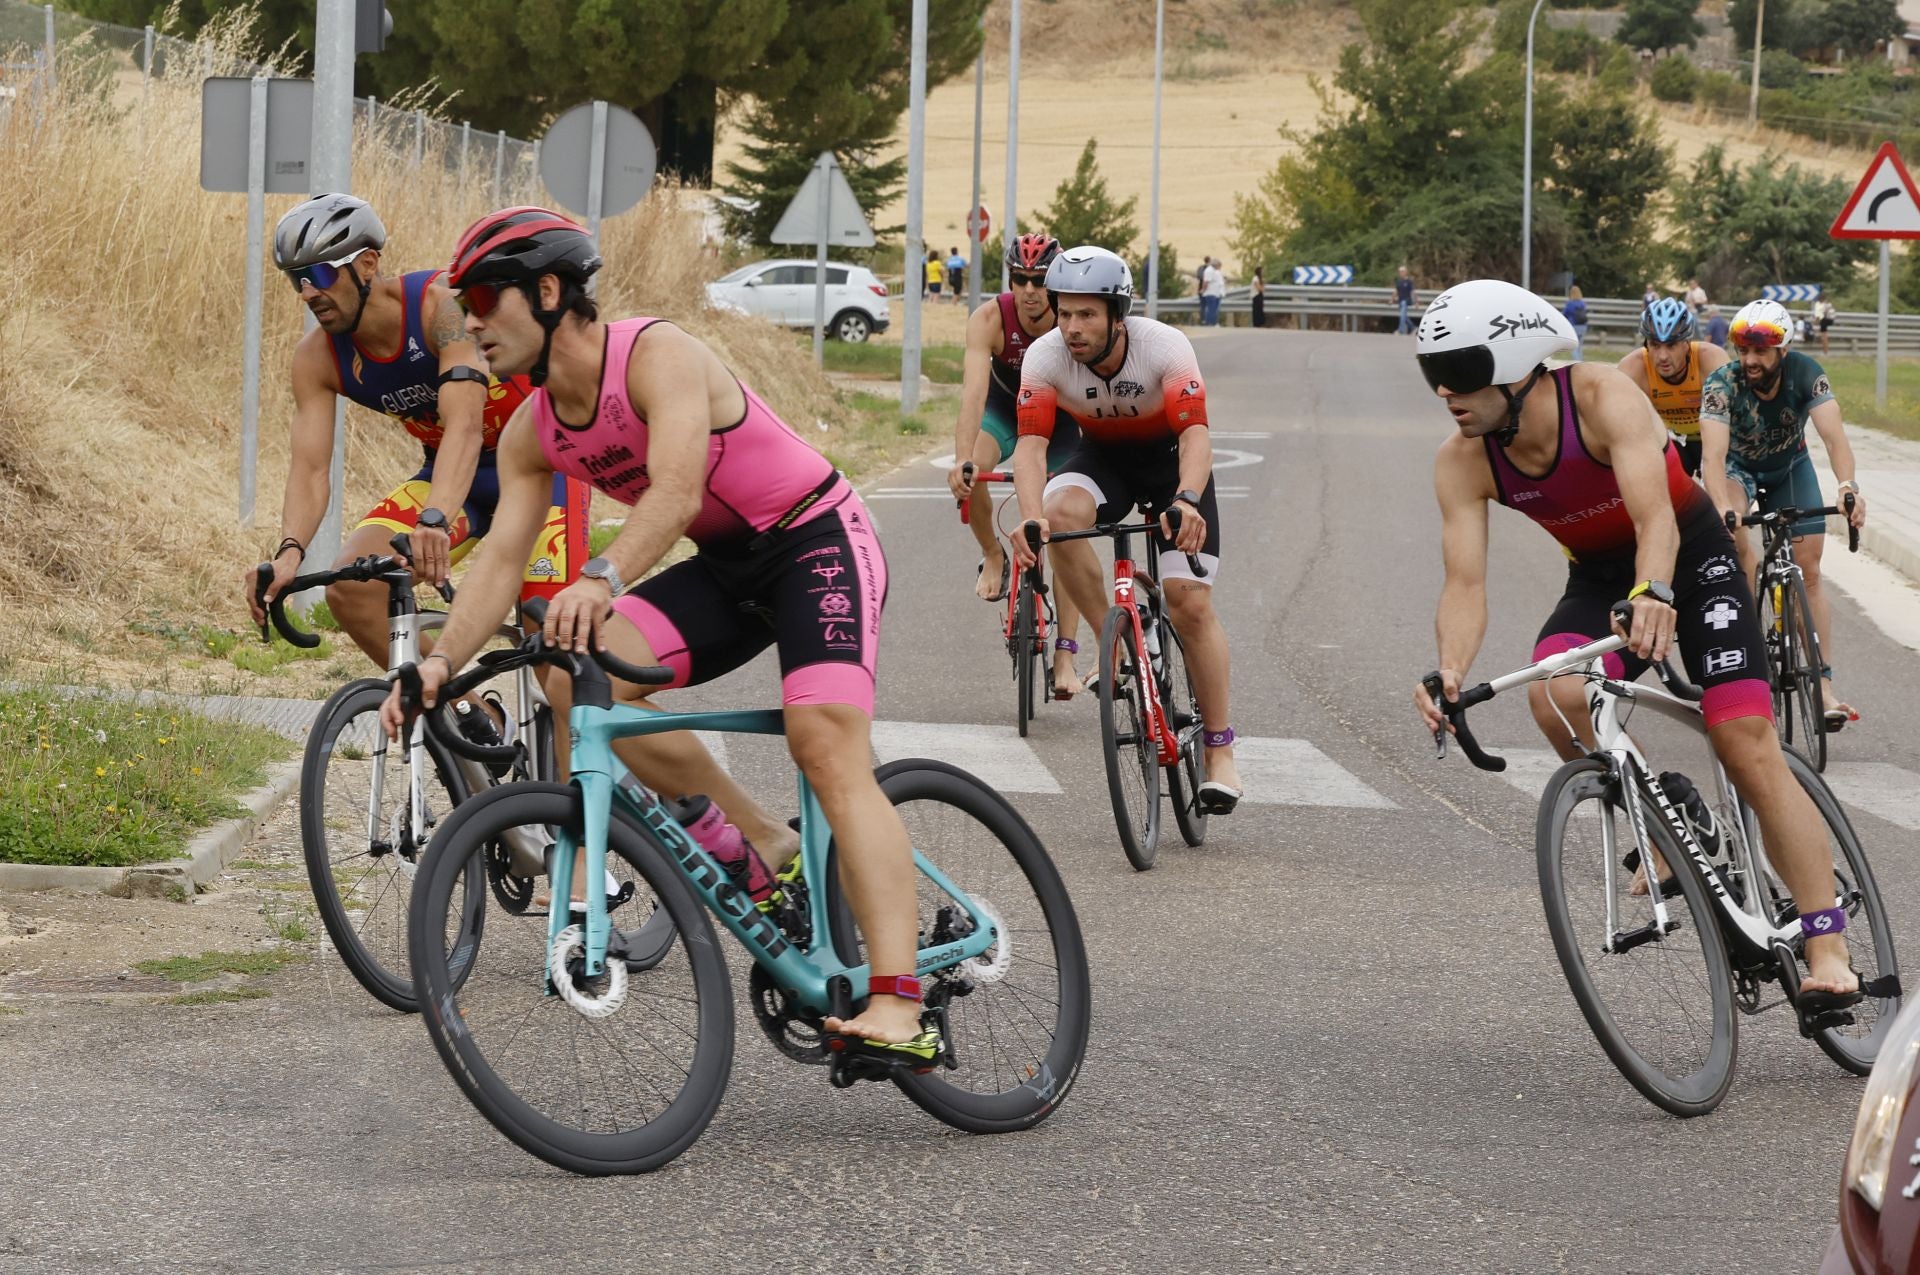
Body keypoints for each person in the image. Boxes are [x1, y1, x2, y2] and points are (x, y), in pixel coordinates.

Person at [378, 206, 937, 1061]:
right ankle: (753, 837)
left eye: (487, 296)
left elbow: (674, 491)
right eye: (464, 301)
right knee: (573, 678)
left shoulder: (655, 355)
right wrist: (440, 662)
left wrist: (600, 579)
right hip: (726, 565)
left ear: (551, 291)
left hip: (813, 538)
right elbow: (498, 559)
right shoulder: (532, 425)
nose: (472, 320)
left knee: (822, 740)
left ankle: (901, 1001)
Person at [1413, 278, 1860, 1015]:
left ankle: (1827, 940)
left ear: (1519, 362)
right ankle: (1671, 821)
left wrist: (1656, 592)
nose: (1444, 393)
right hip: (1600, 577)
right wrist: (1452, 668)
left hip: (1691, 556)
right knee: (1554, 695)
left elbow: (1657, 515)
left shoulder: (1600, 398)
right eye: (1432, 375)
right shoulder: (1461, 461)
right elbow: (1464, 583)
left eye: (1459, 371)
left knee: (1742, 738)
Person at [247, 193, 588, 684]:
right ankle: (462, 714)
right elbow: (310, 468)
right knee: (354, 588)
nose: (306, 293)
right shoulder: (317, 358)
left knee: (547, 640)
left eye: (319, 275)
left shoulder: (442, 308)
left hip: (540, 471)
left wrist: (435, 519)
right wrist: (289, 552)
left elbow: (467, 425)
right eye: (295, 280)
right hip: (455, 478)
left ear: (366, 265)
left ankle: (568, 757)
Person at [1009, 246, 1243, 811]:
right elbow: (1031, 448)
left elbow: (1195, 436)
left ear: (1118, 314)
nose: (1072, 328)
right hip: (1105, 461)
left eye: (1087, 315)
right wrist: (1031, 515)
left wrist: (1187, 498)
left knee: (1188, 602)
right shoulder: (1043, 359)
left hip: (1171, 467)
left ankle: (1219, 752)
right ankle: (1108, 641)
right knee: (1061, 516)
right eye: (1065, 313)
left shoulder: (1164, 347)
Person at [1700, 298, 1869, 729]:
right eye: (1744, 350)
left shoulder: (1806, 373)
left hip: (1788, 468)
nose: (1750, 360)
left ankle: (1823, 684)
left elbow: (1834, 438)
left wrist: (1847, 487)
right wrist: (1722, 506)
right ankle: (1748, 656)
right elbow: (1714, 460)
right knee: (1732, 529)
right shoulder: (1722, 383)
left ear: (1782, 350)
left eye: (1760, 351)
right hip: (1738, 470)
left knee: (1808, 572)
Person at [947, 233, 1088, 695]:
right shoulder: (989, 319)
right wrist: (963, 458)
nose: (1029, 291)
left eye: (1039, 281)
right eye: (1019, 280)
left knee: (1063, 526)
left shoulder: (1071, 321)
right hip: (1004, 411)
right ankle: (992, 555)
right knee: (977, 467)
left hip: (1060, 420)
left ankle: (1065, 654)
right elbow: (972, 396)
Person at [1617, 296, 1729, 478]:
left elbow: (1735, 418)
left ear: (1686, 344)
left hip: (1712, 437)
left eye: (1671, 345)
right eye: (1654, 345)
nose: (1662, 356)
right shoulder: (1632, 368)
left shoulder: (1711, 359)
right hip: (1668, 439)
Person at [1562, 285, 1588, 361]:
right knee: (1579, 347)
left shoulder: (1570, 304)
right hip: (1583, 326)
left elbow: (1565, 315)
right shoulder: (1582, 303)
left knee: (1574, 347)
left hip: (1574, 327)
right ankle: (1581, 361)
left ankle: (1577, 362)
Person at [1200, 257, 1226, 326]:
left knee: (1213, 309)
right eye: (1219, 265)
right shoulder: (1209, 271)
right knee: (1211, 309)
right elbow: (1206, 282)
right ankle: (1209, 323)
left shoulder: (1213, 271)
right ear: (1216, 265)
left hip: (1214, 293)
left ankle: (1212, 322)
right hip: (1210, 293)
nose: (1219, 267)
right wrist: (1203, 290)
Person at [1394, 266, 1416, 335]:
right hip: (1400, 301)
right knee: (1403, 315)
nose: (1401, 273)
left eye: (1402, 271)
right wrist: (1392, 299)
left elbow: (1412, 292)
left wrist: (1416, 302)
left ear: (1406, 272)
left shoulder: (1409, 281)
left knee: (1403, 309)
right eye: (1400, 272)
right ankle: (1413, 328)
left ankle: (1401, 330)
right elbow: (1396, 291)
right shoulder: (1399, 282)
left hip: (1407, 301)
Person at [1815, 288, 1837, 356]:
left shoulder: (1819, 305)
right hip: (1830, 320)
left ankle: (1825, 352)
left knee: (1824, 337)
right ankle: (1825, 351)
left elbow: (1818, 316)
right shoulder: (1828, 303)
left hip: (1823, 321)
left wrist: (1815, 322)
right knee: (1824, 336)